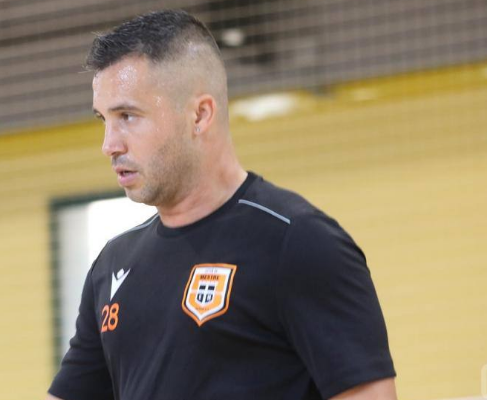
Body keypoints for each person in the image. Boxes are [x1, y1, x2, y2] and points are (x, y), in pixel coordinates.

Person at [46, 9, 397, 400]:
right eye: (104, 120)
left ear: (199, 115)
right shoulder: (112, 265)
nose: (109, 144)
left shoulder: (299, 242)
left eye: (127, 116)